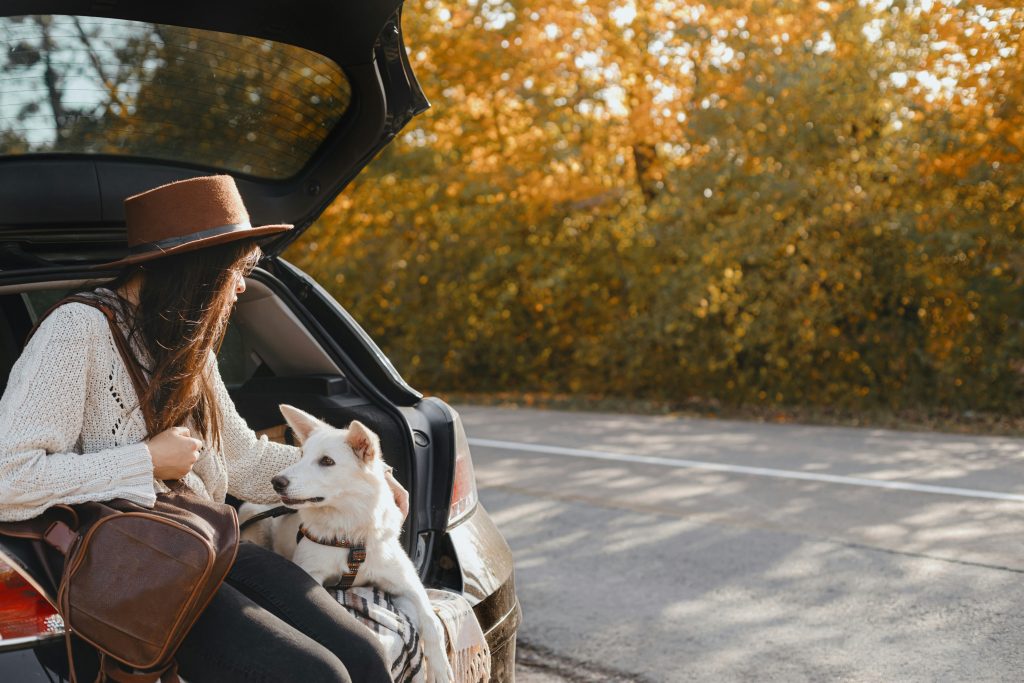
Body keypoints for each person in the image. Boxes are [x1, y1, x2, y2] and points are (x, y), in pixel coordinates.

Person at [0, 175, 406, 682]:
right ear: (199, 270)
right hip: (135, 570)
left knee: (366, 656)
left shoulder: (189, 347)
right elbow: (8, 479)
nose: (241, 286)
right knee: (319, 676)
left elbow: (244, 461)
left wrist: (367, 476)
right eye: (237, 272)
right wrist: (146, 461)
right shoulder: (76, 331)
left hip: (203, 541)